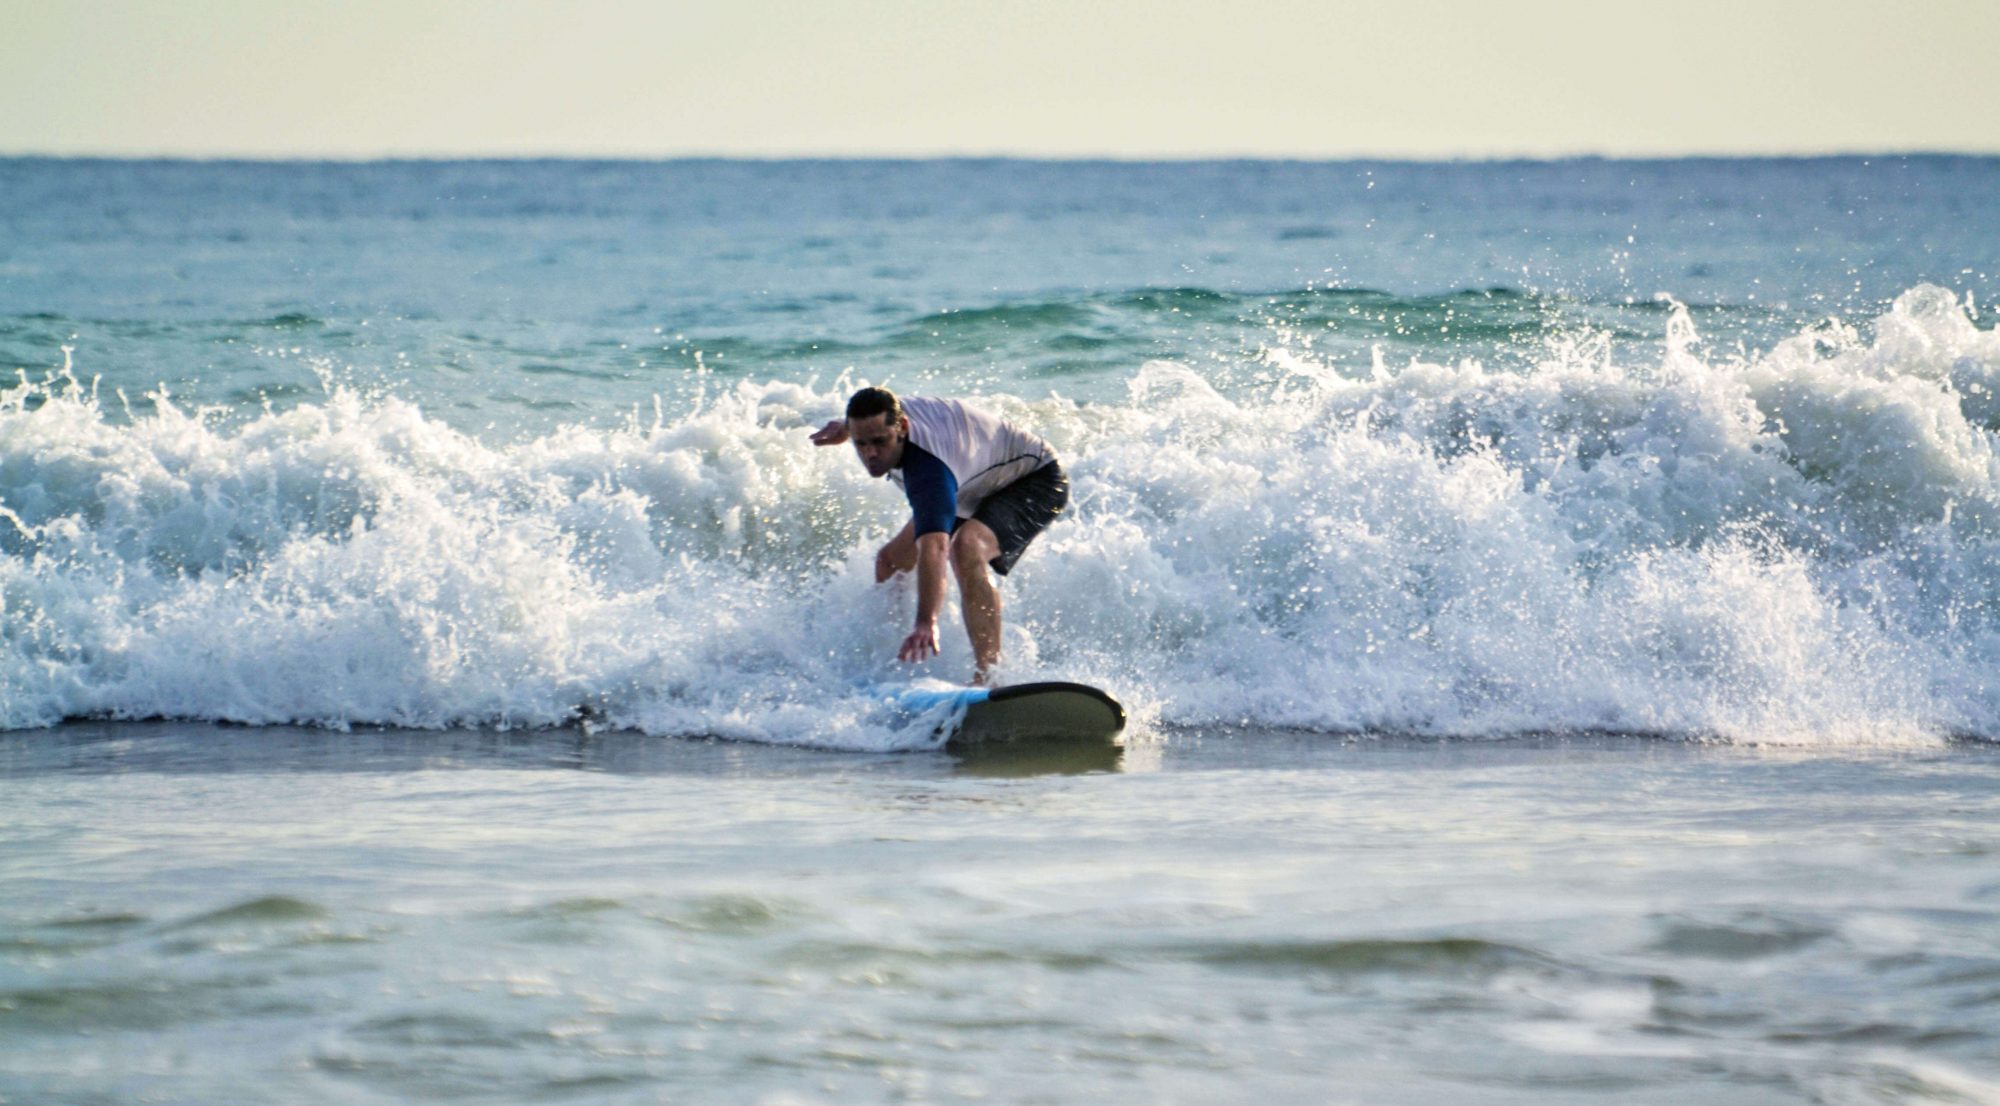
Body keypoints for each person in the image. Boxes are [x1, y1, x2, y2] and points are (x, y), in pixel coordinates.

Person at [811, 386, 1068, 684]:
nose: (870, 453)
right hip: (972, 482)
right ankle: (891, 666)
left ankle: (989, 677)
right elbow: (874, 417)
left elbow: (934, 549)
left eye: (880, 442)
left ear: (902, 428)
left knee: (965, 549)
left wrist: (926, 621)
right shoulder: (886, 418)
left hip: (1034, 477)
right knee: (890, 563)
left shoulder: (928, 473)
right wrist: (845, 430)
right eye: (861, 443)